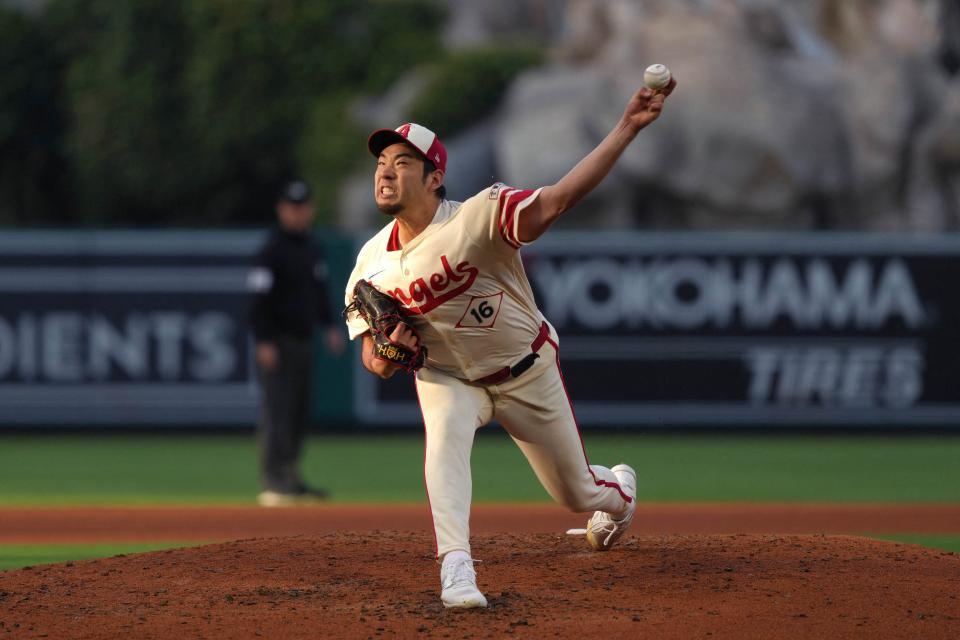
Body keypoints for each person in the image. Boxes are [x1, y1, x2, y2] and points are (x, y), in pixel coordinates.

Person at [343, 79, 676, 608]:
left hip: (525, 371)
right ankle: (456, 568)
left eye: (403, 161)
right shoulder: (369, 265)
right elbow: (372, 360)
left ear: (435, 178)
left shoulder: (479, 217)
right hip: (450, 376)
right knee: (444, 441)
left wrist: (627, 126)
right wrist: (386, 355)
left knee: (577, 494)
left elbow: (560, 199)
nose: (385, 169)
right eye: (382, 160)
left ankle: (621, 493)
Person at [248, 179, 344, 507]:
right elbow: (257, 301)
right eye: (292, 207)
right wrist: (263, 340)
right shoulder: (271, 250)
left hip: (304, 341)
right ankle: (273, 480)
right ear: (281, 210)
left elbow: (319, 293)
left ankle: (290, 475)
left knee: (299, 411)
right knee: (277, 410)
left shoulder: (312, 247)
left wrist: (330, 326)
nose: (298, 213)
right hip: (278, 341)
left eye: (303, 207)